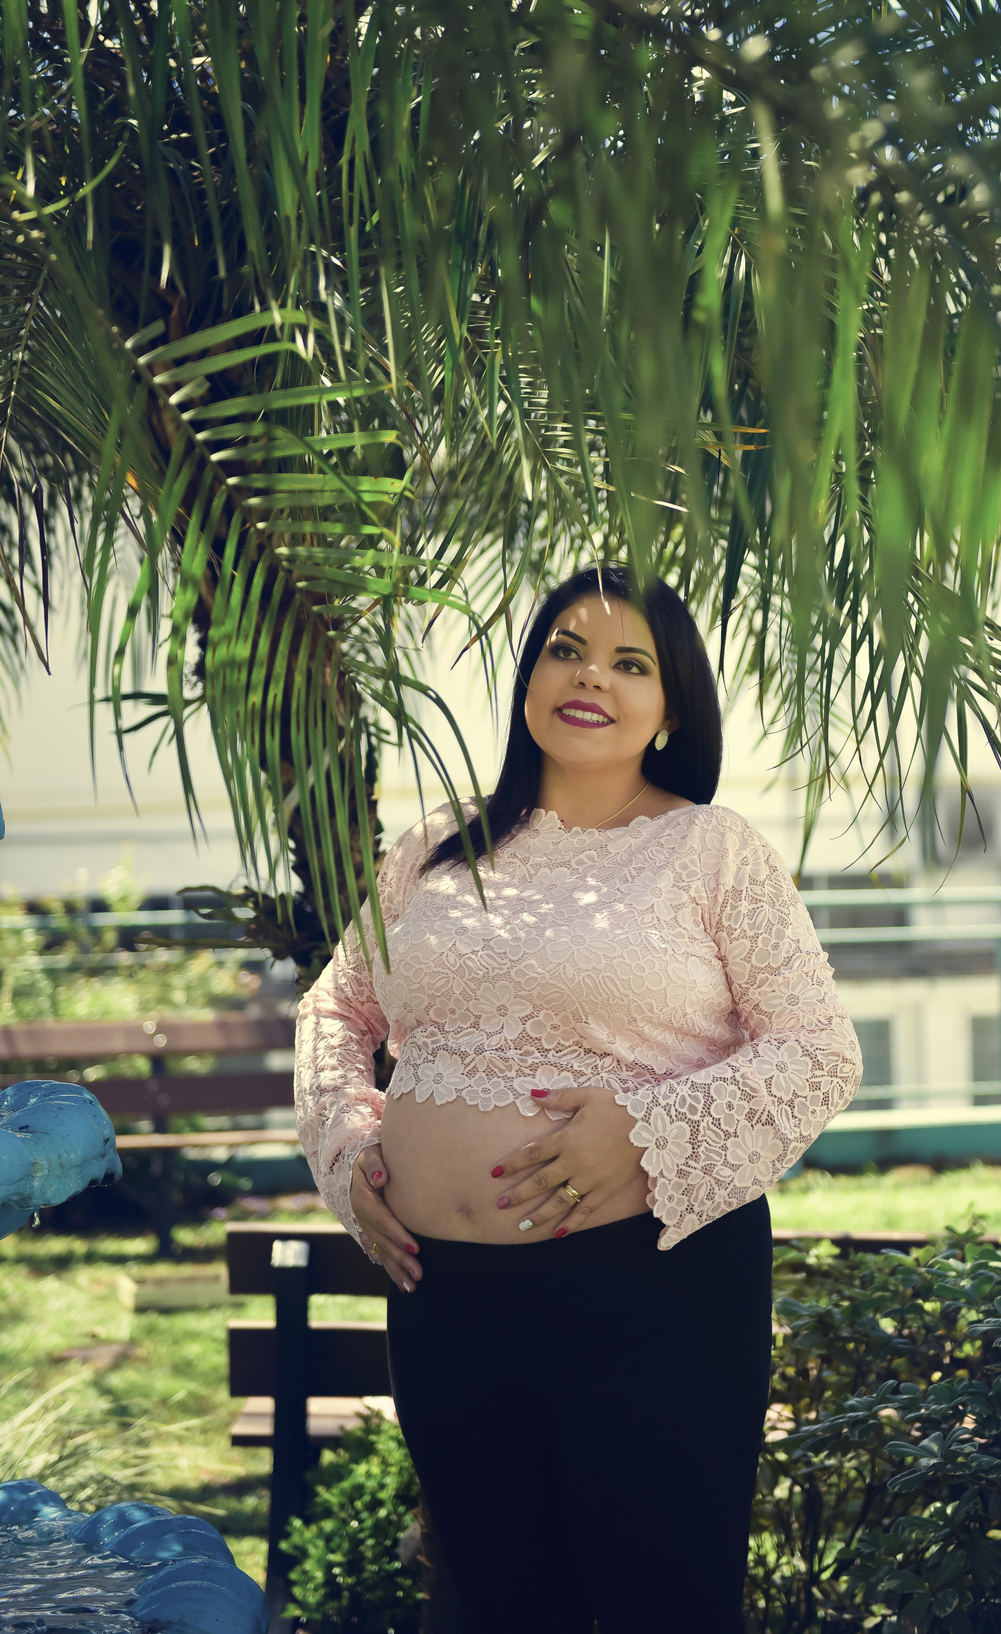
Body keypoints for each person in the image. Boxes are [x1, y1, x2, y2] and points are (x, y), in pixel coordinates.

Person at [294, 565, 862, 1634]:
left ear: (671, 709)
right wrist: (343, 1142)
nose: (590, 676)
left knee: (662, 1611)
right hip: (445, 1305)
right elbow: (337, 1007)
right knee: (505, 1611)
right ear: (529, 678)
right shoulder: (438, 846)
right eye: (566, 649)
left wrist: (644, 1139)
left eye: (629, 662)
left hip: (650, 1295)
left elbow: (819, 1051)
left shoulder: (711, 849)